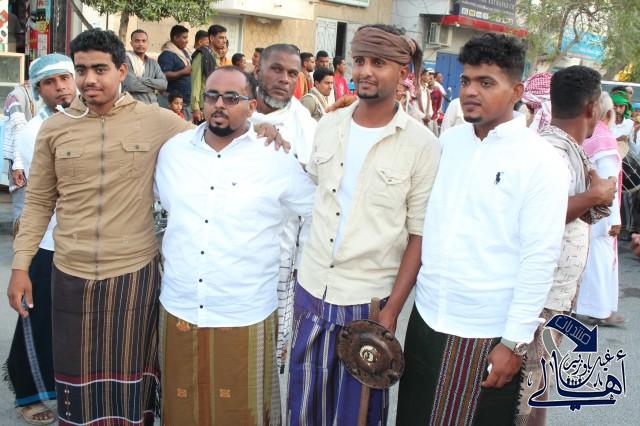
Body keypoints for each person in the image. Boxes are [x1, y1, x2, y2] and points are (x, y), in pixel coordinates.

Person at [7, 29, 193, 426]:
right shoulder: (55, 129)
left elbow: (211, 142)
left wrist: (263, 128)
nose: (89, 79)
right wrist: (20, 267)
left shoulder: (158, 121)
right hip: (70, 271)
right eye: (81, 70)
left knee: (130, 372)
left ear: (122, 71)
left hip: (133, 271)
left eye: (100, 69)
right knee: (76, 375)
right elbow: (38, 202)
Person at [397, 33, 569, 426]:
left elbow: (540, 257)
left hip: (486, 330)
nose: (471, 91)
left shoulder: (540, 161)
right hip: (427, 319)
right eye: (466, 81)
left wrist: (513, 341)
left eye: (486, 82)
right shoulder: (450, 142)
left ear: (517, 92)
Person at [287, 24, 440, 425]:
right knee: (303, 407)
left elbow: (419, 235)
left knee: (356, 415)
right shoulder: (330, 125)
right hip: (312, 288)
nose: (366, 71)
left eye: (379, 62)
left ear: (403, 71)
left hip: (367, 302)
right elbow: (315, 193)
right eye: (359, 61)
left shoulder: (422, 145)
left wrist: (391, 312)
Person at [156, 66, 316, 426]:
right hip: (180, 304)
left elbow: (318, 211)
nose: (220, 105)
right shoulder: (174, 152)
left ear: (251, 106)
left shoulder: (275, 156)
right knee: (181, 409)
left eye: (232, 98)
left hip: (244, 308)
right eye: (212, 96)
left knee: (243, 410)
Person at [515, 65, 617, 425]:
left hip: (555, 295)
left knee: (541, 381)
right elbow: (544, 214)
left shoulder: (566, 147)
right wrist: (594, 196)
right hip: (541, 295)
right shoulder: (554, 151)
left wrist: (597, 196)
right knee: (527, 392)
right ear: (592, 108)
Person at [5, 53, 77, 426]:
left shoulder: (85, 119)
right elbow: (50, 194)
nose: (60, 87)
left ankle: (69, 387)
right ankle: (28, 391)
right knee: (37, 317)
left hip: (85, 243)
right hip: (49, 241)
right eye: (50, 82)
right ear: (38, 90)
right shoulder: (36, 131)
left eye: (65, 78)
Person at [251, 43, 318, 373]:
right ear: (258, 69)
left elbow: (313, 205)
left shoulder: (306, 127)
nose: (284, 79)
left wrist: (303, 267)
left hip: (278, 257)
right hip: (226, 252)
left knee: (265, 359)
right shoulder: (234, 111)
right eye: (276, 69)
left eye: (292, 73)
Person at [575, 92, 625, 326]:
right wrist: (615, 218)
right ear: (609, 112)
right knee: (600, 259)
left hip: (586, 207)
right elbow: (608, 182)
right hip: (602, 212)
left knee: (590, 256)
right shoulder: (604, 138)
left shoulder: (589, 135)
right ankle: (599, 310)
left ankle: (587, 307)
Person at [3, 81, 36, 224]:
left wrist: (17, 165)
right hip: (27, 163)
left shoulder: (19, 96)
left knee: (24, 211)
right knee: (25, 211)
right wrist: (18, 165)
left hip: (30, 163)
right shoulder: (18, 96)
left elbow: (19, 130)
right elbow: (19, 130)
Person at [191, 24, 226, 124]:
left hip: (216, 103)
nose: (224, 41)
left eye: (225, 38)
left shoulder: (216, 56)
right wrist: (195, 108)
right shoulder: (202, 55)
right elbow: (195, 82)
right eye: (221, 37)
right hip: (204, 106)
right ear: (211, 38)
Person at [123, 29, 167, 104]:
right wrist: (154, 88)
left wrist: (142, 80)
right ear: (131, 43)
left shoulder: (153, 63)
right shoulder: (127, 60)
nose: (141, 44)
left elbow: (163, 84)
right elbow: (131, 86)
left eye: (143, 41)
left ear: (147, 43)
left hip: (153, 105)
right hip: (135, 106)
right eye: (137, 41)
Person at [158, 25, 192, 120]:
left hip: (184, 102)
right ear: (176, 38)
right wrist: (183, 72)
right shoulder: (167, 55)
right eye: (184, 37)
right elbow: (164, 75)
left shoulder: (184, 53)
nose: (187, 41)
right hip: (172, 103)